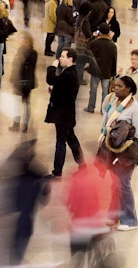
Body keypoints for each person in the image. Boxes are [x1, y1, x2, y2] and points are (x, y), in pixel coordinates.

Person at [97, 76, 138, 231]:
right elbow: (105, 117)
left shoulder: (135, 108)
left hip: (127, 153)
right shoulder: (113, 102)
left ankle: (131, 221)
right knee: (115, 183)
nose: (116, 88)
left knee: (123, 184)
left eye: (120, 86)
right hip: (113, 150)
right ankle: (113, 215)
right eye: (115, 86)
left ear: (129, 89)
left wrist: (122, 135)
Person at [44, 48, 85, 179]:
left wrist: (52, 67)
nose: (60, 58)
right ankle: (83, 165)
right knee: (71, 139)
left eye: (62, 56)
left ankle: (57, 172)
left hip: (63, 115)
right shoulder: (69, 72)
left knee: (61, 142)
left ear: (70, 59)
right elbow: (63, 89)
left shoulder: (68, 74)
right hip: (66, 113)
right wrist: (54, 90)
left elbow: (50, 79)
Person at [84, 23, 117, 114]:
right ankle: (103, 110)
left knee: (93, 90)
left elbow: (87, 50)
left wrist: (92, 37)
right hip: (107, 72)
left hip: (95, 70)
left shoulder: (95, 42)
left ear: (100, 32)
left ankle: (91, 107)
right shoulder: (112, 45)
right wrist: (113, 73)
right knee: (105, 92)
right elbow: (114, 60)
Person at [9, 31, 37, 133]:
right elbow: (15, 66)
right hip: (19, 81)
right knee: (18, 104)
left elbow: (29, 66)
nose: (20, 41)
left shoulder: (32, 53)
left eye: (22, 39)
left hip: (26, 83)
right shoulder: (20, 50)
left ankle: (24, 125)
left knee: (25, 104)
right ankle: (16, 124)